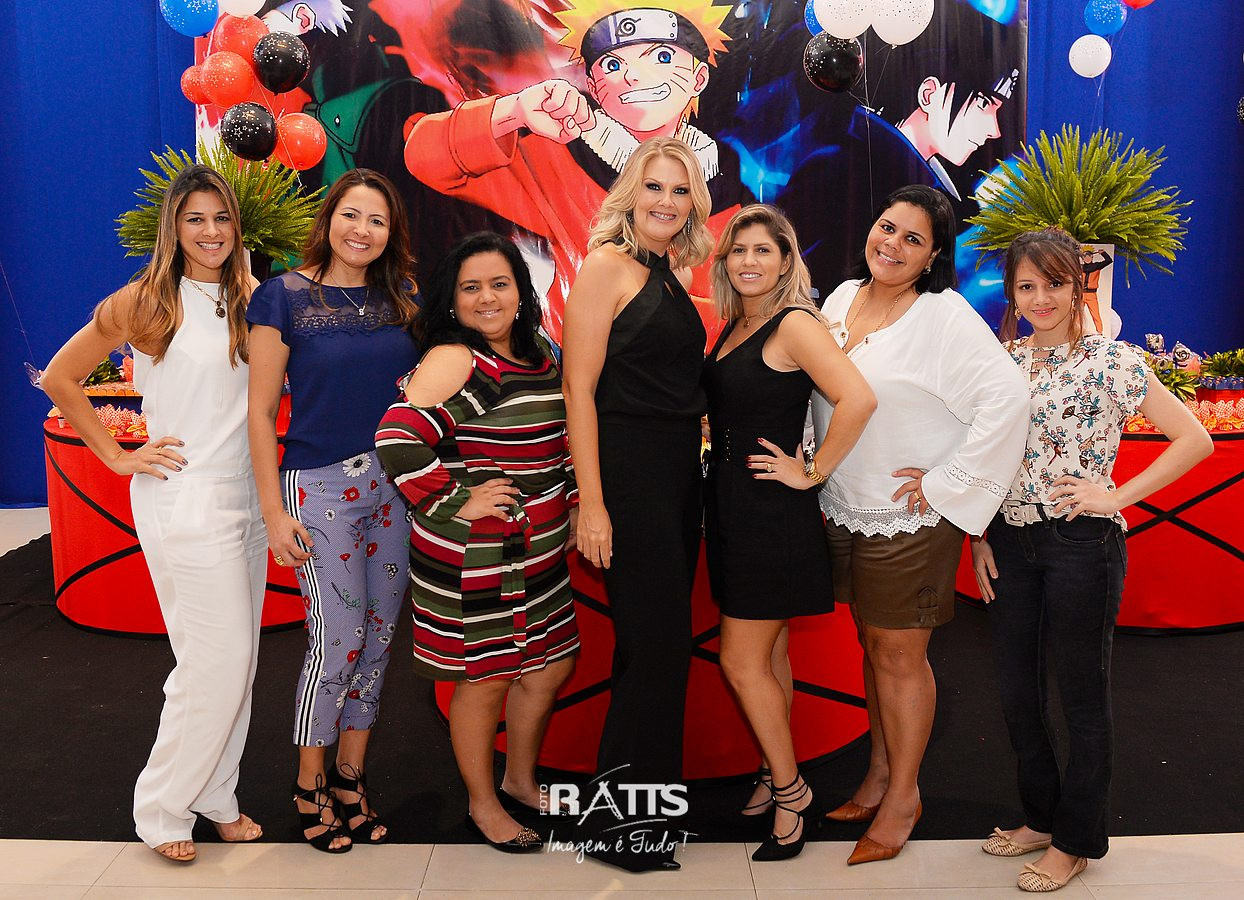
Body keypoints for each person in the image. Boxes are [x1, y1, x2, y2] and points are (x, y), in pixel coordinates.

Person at [970, 229, 1212, 892]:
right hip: (1009, 542)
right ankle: (1041, 818)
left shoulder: (1114, 360)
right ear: (1011, 294)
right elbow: (985, 455)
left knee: (1080, 694)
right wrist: (979, 533)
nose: (1040, 298)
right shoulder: (1002, 361)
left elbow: (1194, 440)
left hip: (1083, 543)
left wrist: (1116, 495)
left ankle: (1075, 841)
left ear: (1078, 285)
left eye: (1053, 283)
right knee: (1017, 691)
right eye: (1026, 286)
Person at [42, 165, 265, 862]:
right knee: (215, 661)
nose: (210, 231)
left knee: (238, 665)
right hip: (184, 495)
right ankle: (164, 806)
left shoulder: (250, 295)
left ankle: (216, 797)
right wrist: (115, 454)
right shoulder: (147, 300)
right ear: (173, 226)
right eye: (195, 218)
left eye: (221, 218)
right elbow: (60, 376)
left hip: (247, 498)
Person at [809, 184, 1029, 865]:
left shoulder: (943, 316)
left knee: (901, 655)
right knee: (873, 644)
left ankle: (904, 796)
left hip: (910, 516)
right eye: (887, 227)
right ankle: (879, 776)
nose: (893, 245)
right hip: (844, 502)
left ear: (934, 255)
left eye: (913, 239)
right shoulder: (841, 299)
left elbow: (1007, 396)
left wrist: (946, 483)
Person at [375, 231, 580, 854]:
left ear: (521, 290)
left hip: (539, 550)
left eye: (499, 284)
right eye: (471, 288)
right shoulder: (457, 357)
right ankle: (483, 804)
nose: (487, 298)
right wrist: (457, 499)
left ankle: (519, 781)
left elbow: (559, 440)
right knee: (487, 678)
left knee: (549, 666)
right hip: (479, 555)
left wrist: (572, 501)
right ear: (452, 298)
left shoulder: (540, 353)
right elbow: (396, 437)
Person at [247, 169, 421, 852]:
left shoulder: (404, 297)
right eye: (352, 214)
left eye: (377, 220)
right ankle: (308, 782)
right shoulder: (282, 296)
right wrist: (272, 511)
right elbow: (262, 411)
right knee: (338, 640)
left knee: (378, 639)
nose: (362, 230)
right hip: (317, 489)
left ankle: (351, 777)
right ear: (330, 218)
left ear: (390, 231)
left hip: (393, 489)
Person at [404, 0, 752, 339]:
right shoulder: (552, 157)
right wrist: (514, 111)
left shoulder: (730, 187)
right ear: (593, 86)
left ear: (699, 77)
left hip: (688, 374)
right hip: (572, 367)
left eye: (662, 57)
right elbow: (425, 157)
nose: (633, 75)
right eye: (612, 64)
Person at [703, 204, 875, 861]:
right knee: (769, 659)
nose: (748, 261)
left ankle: (791, 791)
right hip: (733, 505)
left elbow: (857, 398)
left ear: (785, 261)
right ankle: (771, 772)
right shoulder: (738, 323)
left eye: (762, 251)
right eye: (737, 250)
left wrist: (813, 471)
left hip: (768, 515)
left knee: (740, 661)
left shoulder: (794, 323)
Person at [561, 135, 713, 871]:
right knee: (656, 650)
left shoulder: (670, 274)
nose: (666, 201)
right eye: (654, 186)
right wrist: (592, 503)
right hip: (629, 478)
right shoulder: (605, 267)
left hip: (677, 479)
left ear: (693, 205)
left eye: (680, 190)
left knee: (654, 651)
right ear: (630, 193)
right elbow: (578, 389)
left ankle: (633, 820)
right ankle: (625, 831)